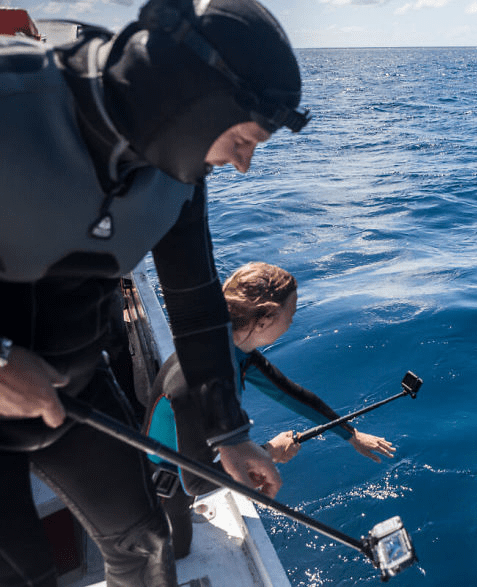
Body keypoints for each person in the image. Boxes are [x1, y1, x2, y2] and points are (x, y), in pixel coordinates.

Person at [0, 1, 310, 585]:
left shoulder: (180, 174)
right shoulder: (13, 101)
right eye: (244, 139)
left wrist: (231, 437)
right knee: (25, 571)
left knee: (145, 543)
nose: (242, 165)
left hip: (74, 390)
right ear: (193, 98)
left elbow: (195, 306)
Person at [145, 263, 396, 558]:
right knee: (179, 554)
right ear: (264, 319)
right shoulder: (195, 381)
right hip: (165, 485)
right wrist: (269, 452)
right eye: (290, 312)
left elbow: (293, 394)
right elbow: (195, 481)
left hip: (188, 464)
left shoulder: (235, 352)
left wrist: (351, 435)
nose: (292, 319)